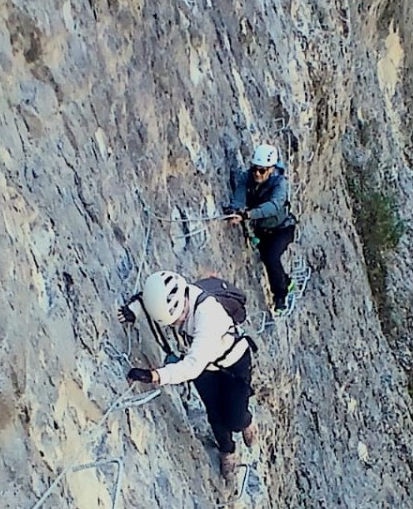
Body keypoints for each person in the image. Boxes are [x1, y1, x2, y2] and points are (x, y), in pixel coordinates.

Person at [121, 270, 254, 484]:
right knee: (215, 413)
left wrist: (154, 375)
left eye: (178, 318)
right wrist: (133, 311)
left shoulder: (209, 316)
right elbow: (151, 297)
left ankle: (245, 421)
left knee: (234, 418)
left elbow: (191, 367)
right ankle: (227, 450)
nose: (177, 323)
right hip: (206, 367)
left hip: (233, 363)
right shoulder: (176, 295)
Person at [225, 142, 296, 314]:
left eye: (262, 170)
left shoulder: (280, 184)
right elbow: (240, 194)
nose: (257, 173)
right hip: (263, 230)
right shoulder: (247, 177)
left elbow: (273, 206)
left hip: (282, 229)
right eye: (255, 169)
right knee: (266, 256)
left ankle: (280, 296)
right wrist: (235, 209)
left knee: (271, 257)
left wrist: (247, 215)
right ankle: (286, 281)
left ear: (271, 169)